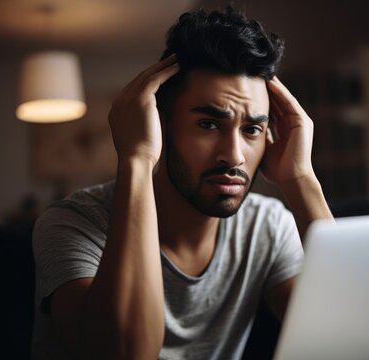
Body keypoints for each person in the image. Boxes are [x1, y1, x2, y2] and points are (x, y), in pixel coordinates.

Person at [31, 6, 333, 360]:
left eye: (251, 129)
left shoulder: (267, 227)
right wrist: (137, 159)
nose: (233, 155)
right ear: (161, 125)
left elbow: (350, 340)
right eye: (208, 124)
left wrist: (300, 178)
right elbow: (125, 353)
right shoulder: (73, 223)